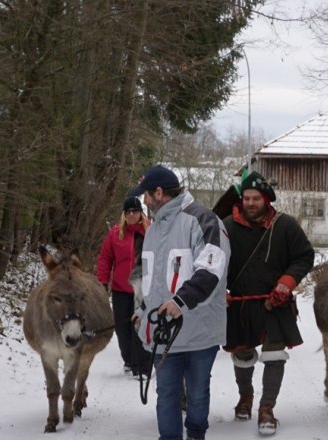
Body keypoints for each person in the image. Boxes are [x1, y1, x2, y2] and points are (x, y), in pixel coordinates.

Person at [129, 164, 230, 440]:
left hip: (200, 332)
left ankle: (196, 434)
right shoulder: (152, 231)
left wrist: (181, 300)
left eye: (145, 195)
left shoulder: (204, 220)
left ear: (158, 192)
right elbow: (146, 278)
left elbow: (211, 268)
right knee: (166, 394)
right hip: (163, 334)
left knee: (197, 395)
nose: (144, 201)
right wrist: (141, 308)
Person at [222, 171, 314, 436]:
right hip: (239, 304)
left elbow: (304, 256)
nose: (250, 203)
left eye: (256, 199)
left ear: (266, 200)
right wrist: (219, 290)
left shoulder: (285, 225)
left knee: (274, 356)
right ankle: (246, 397)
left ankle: (266, 408)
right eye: (246, 198)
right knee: (242, 355)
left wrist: (287, 281)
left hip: (275, 303)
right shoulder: (226, 227)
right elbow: (213, 261)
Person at [96, 196, 152, 378]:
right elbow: (105, 259)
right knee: (122, 328)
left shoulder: (150, 232)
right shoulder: (115, 234)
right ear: (124, 214)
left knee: (139, 326)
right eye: (128, 212)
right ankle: (128, 360)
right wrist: (102, 282)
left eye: (135, 211)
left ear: (141, 213)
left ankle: (142, 366)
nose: (131, 215)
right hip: (120, 288)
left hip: (142, 288)